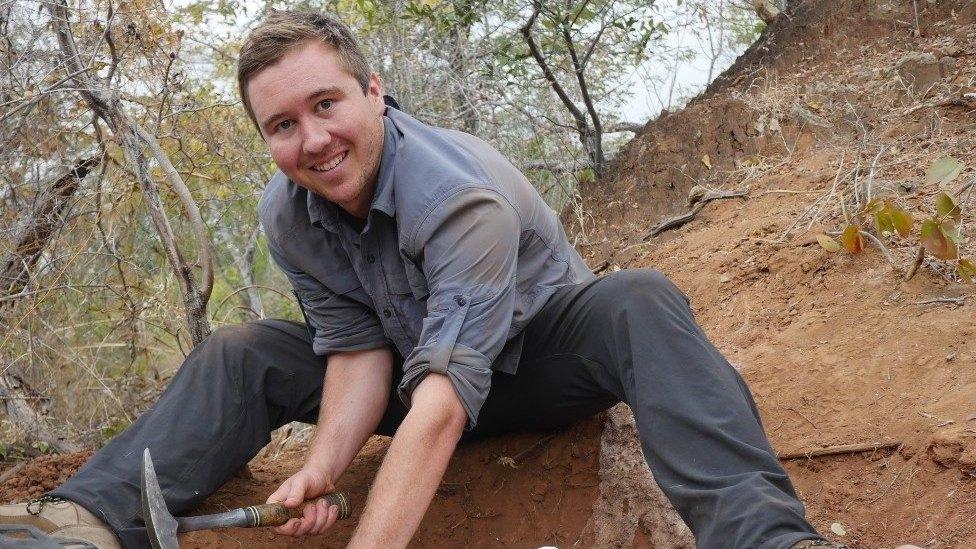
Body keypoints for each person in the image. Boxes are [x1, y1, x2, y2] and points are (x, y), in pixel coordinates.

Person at [0, 10, 919, 549]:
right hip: (409, 372)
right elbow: (358, 349)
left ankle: (765, 536)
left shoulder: (457, 196)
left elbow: (442, 404)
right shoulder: (289, 213)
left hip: (530, 373)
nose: (312, 139)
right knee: (243, 350)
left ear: (374, 92)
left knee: (638, 298)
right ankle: (84, 518)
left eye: (326, 105)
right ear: (265, 139)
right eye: (282, 125)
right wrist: (321, 468)